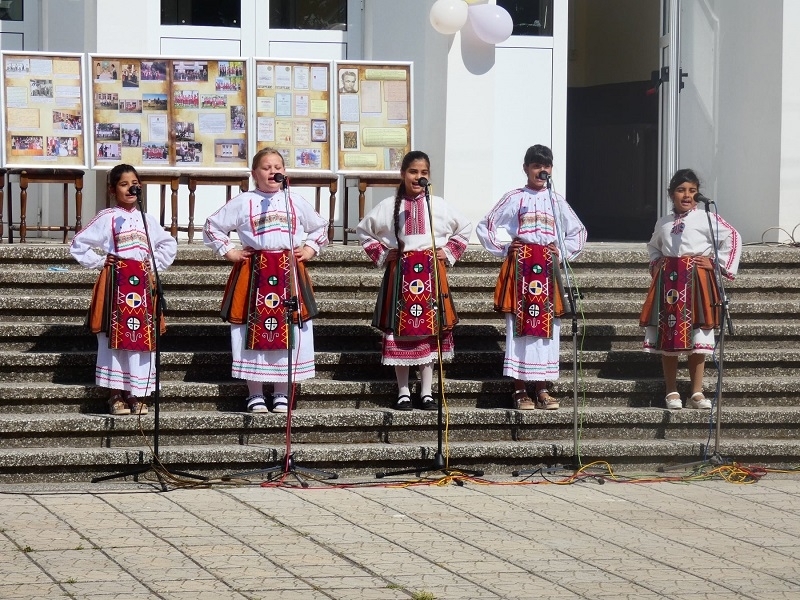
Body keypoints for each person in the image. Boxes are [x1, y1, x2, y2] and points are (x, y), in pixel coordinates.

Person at [203, 147, 329, 413]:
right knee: (250, 328)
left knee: (290, 327)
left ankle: (282, 391)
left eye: (278, 167)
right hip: (254, 272)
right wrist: (230, 251)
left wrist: (309, 249)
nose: (273, 172)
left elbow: (320, 225)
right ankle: (255, 393)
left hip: (288, 272)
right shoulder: (244, 201)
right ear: (254, 173)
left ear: (285, 172)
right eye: (266, 167)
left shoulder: (294, 201)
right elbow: (212, 225)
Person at [357, 150, 472, 411]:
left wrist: (448, 251)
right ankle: (403, 391)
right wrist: (384, 253)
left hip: (431, 274)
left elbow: (465, 227)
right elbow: (363, 230)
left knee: (429, 332)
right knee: (400, 332)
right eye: (413, 172)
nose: (418, 177)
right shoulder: (389, 205)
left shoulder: (438, 204)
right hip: (402, 275)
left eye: (423, 173)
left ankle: (427, 392)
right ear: (402, 174)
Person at [476, 144, 586, 410]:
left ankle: (542, 388)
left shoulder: (557, 201)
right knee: (519, 326)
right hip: (521, 266)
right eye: (536, 165)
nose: (542, 170)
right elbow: (486, 225)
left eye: (546, 165)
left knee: (549, 328)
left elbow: (578, 231)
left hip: (547, 267)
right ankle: (519, 389)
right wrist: (504, 247)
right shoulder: (515, 197)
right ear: (526, 168)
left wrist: (562, 252)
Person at [70, 164, 177, 416]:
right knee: (114, 336)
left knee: (140, 337)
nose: (131, 188)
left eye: (135, 183)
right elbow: (78, 243)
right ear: (112, 189)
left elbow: (168, 244)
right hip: (116, 281)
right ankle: (115, 394)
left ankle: (135, 393)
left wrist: (153, 264)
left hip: (142, 284)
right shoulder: (107, 217)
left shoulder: (147, 219)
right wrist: (99, 260)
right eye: (123, 184)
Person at [639, 168, 741, 410]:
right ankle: (671, 391)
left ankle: (696, 391)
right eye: (681, 190)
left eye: (692, 190)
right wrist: (657, 262)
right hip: (670, 284)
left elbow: (733, 237)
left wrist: (716, 263)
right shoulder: (663, 222)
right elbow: (654, 246)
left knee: (698, 335)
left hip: (697, 281)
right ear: (671, 194)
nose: (687, 195)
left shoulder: (707, 218)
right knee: (669, 334)